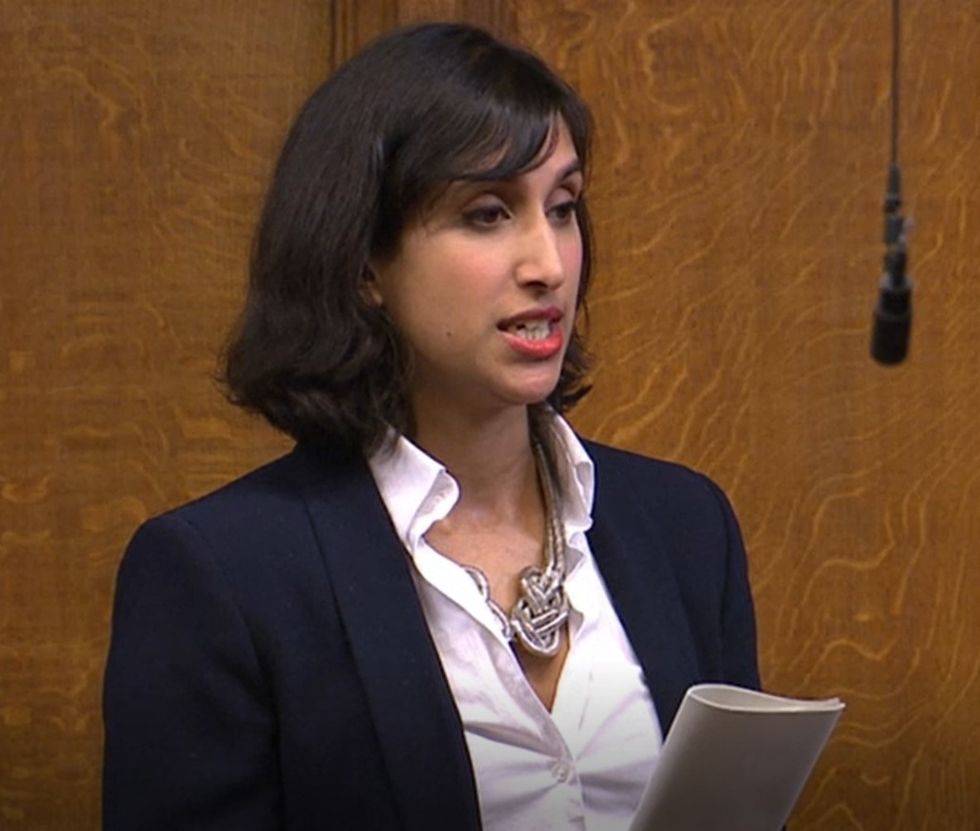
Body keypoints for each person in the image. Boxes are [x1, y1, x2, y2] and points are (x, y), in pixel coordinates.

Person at [102, 21, 760, 831]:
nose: (548, 263)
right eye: (487, 214)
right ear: (365, 262)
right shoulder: (222, 575)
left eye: (562, 207)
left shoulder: (686, 526)